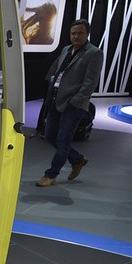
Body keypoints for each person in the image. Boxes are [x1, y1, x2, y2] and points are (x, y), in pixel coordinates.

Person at [36, 19, 103, 187]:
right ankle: (77, 159)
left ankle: (51, 175)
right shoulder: (66, 49)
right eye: (73, 33)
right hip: (56, 99)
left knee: (63, 140)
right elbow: (56, 71)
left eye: (80, 33)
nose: (76, 36)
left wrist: (75, 101)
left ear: (87, 34)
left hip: (73, 105)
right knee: (50, 136)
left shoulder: (94, 53)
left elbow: (90, 83)